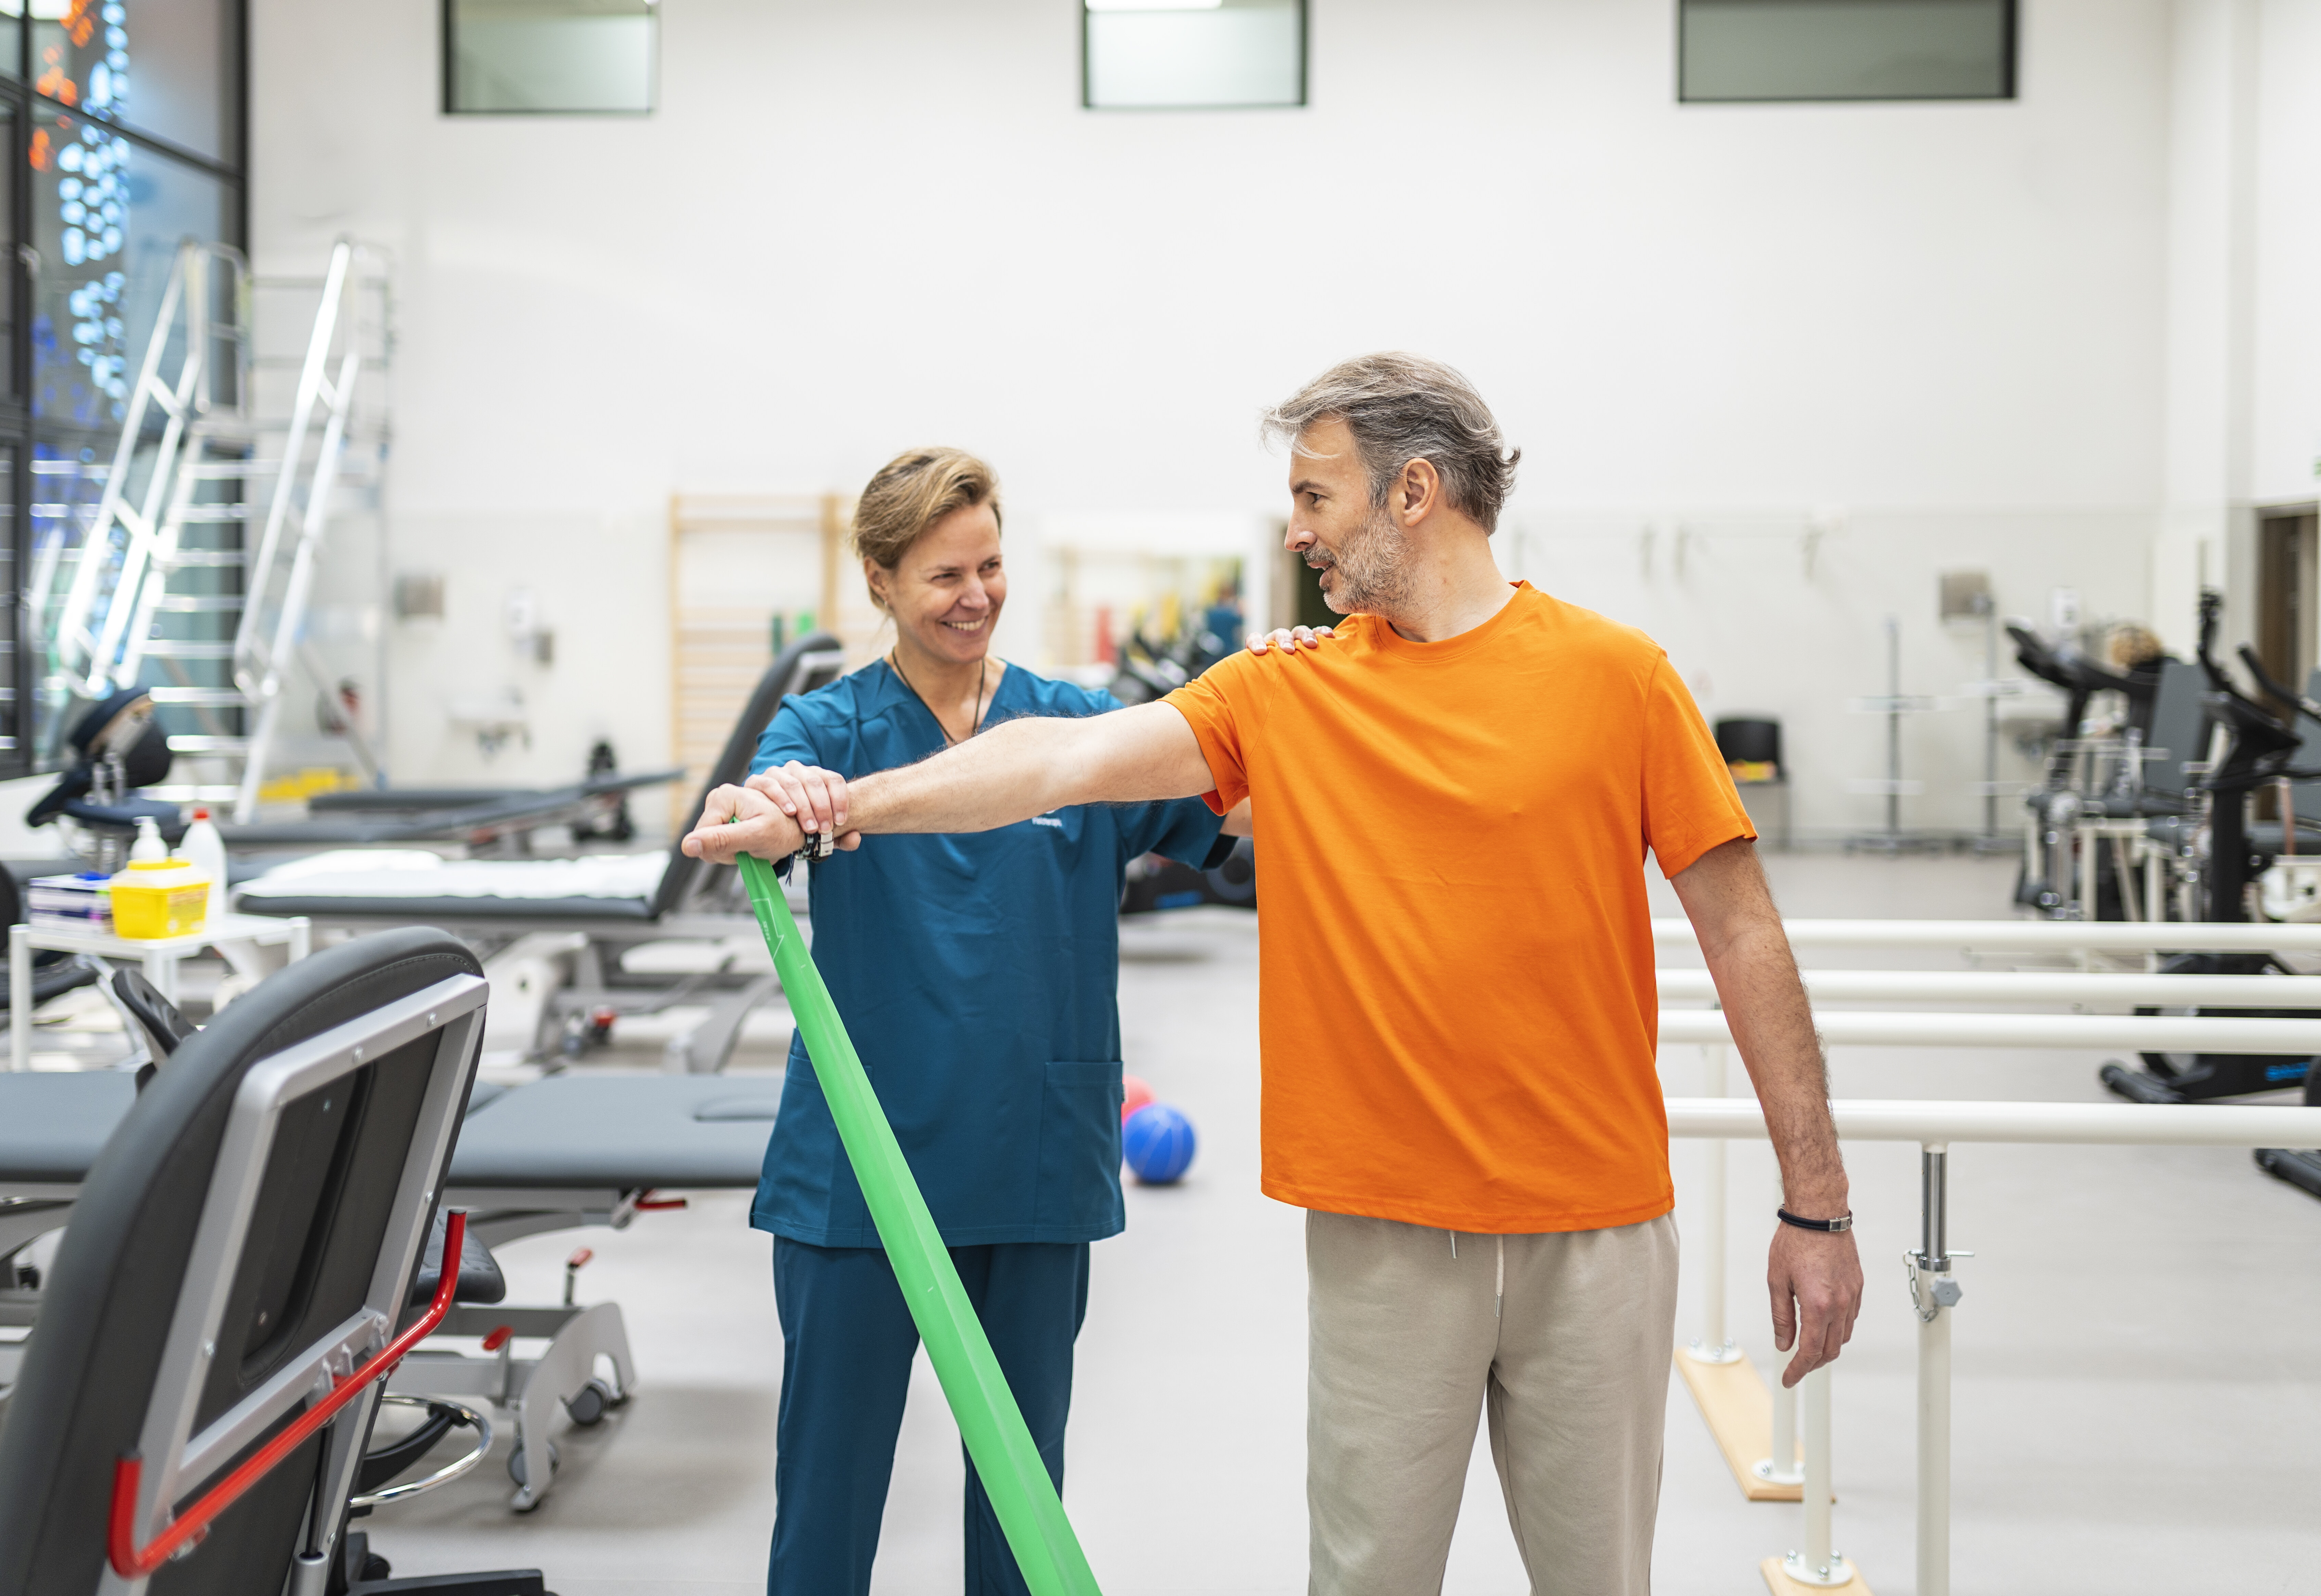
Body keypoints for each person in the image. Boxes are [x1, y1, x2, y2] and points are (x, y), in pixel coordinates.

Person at [690, 356, 1863, 1595]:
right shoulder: (1287, 689)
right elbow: (1051, 763)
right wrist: (828, 810)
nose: (1294, 528)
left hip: (1594, 1226)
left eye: (1314, 496)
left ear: (1413, 493)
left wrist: (1818, 1199)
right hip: (1377, 1232)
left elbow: (1742, 933)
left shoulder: (1617, 676)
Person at [733, 446, 1261, 1596]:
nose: (976, 596)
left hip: (1030, 1162)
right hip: (862, 1179)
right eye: (942, 576)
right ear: (878, 580)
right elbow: (754, 806)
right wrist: (773, 806)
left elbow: (1237, 827)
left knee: (1022, 1513)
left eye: (990, 565)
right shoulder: (825, 732)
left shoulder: (1072, 727)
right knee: (825, 1510)